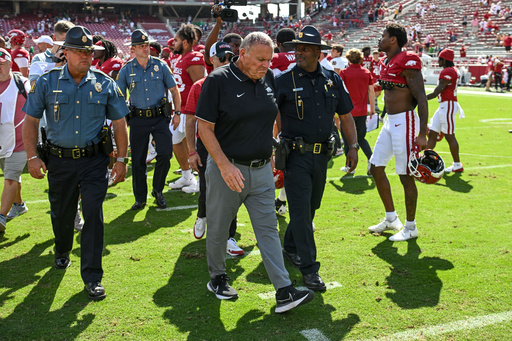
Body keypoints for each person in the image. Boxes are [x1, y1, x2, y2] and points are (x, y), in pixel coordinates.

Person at [195, 32, 314, 313]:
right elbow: (204, 128)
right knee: (219, 228)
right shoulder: (218, 80)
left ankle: (284, 290)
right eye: (260, 59)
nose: (266, 65)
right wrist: (223, 165)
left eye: (269, 59)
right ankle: (217, 277)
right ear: (243, 53)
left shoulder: (268, 77)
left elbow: (271, 116)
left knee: (268, 231)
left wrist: (271, 148)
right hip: (228, 169)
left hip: (261, 170)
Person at [22, 26, 130, 300]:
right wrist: (32, 156)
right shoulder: (46, 82)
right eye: (80, 51)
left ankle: (93, 277)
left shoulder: (105, 82)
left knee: (93, 214)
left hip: (94, 161)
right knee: (62, 212)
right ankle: (61, 249)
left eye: (90, 52)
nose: (86, 56)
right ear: (66, 52)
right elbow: (31, 121)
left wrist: (120, 159)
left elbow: (119, 123)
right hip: (59, 160)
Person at [276, 26, 358, 291]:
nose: (298, 52)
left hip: (322, 156)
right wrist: (271, 147)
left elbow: (345, 115)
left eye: (304, 48)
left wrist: (353, 146)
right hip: (295, 156)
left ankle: (290, 246)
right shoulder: (284, 80)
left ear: (317, 53)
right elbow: (268, 115)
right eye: (297, 48)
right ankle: (310, 270)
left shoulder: (333, 79)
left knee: (311, 207)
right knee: (300, 212)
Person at [368, 23, 428, 242]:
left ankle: (411, 227)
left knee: (405, 175)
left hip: (405, 122)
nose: (380, 39)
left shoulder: (407, 60)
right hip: (390, 121)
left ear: (393, 40)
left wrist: (422, 133)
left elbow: (421, 96)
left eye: (383, 36)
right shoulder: (387, 61)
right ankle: (392, 218)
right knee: (375, 167)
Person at [117, 29, 182, 210]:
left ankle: (158, 190)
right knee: (138, 161)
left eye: (147, 45)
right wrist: (121, 118)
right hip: (137, 119)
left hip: (160, 117)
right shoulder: (126, 70)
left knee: (165, 154)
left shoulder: (161, 66)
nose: (146, 48)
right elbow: (119, 96)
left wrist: (177, 113)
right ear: (133, 49)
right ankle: (140, 198)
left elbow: (174, 90)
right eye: (141, 46)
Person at [168, 24, 204, 192]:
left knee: (197, 147)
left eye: (176, 41)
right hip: (180, 110)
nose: (173, 43)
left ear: (185, 42)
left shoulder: (195, 57)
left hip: (191, 111)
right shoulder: (182, 58)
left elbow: (200, 87)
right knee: (175, 140)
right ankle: (187, 176)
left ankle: (200, 182)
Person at [0, 48, 30, 232]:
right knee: (12, 176)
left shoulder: (21, 84)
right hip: (2, 142)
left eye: (1, 64)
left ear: (10, 63)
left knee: (10, 178)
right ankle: (19, 205)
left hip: (20, 142)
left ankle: (1, 216)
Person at [426, 49, 464, 173]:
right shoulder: (452, 70)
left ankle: (457, 165)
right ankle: (426, 160)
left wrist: (420, 98)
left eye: (440, 58)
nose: (438, 61)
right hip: (444, 105)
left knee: (449, 136)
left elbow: (437, 91)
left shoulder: (448, 71)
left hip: (447, 105)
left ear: (445, 59)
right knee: (432, 133)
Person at [339, 48, 375, 175]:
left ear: (348, 59)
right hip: (361, 111)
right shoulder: (366, 72)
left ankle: (349, 166)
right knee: (361, 138)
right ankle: (372, 160)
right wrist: (372, 108)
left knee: (347, 139)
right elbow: (371, 91)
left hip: (347, 112)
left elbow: (339, 91)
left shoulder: (344, 72)